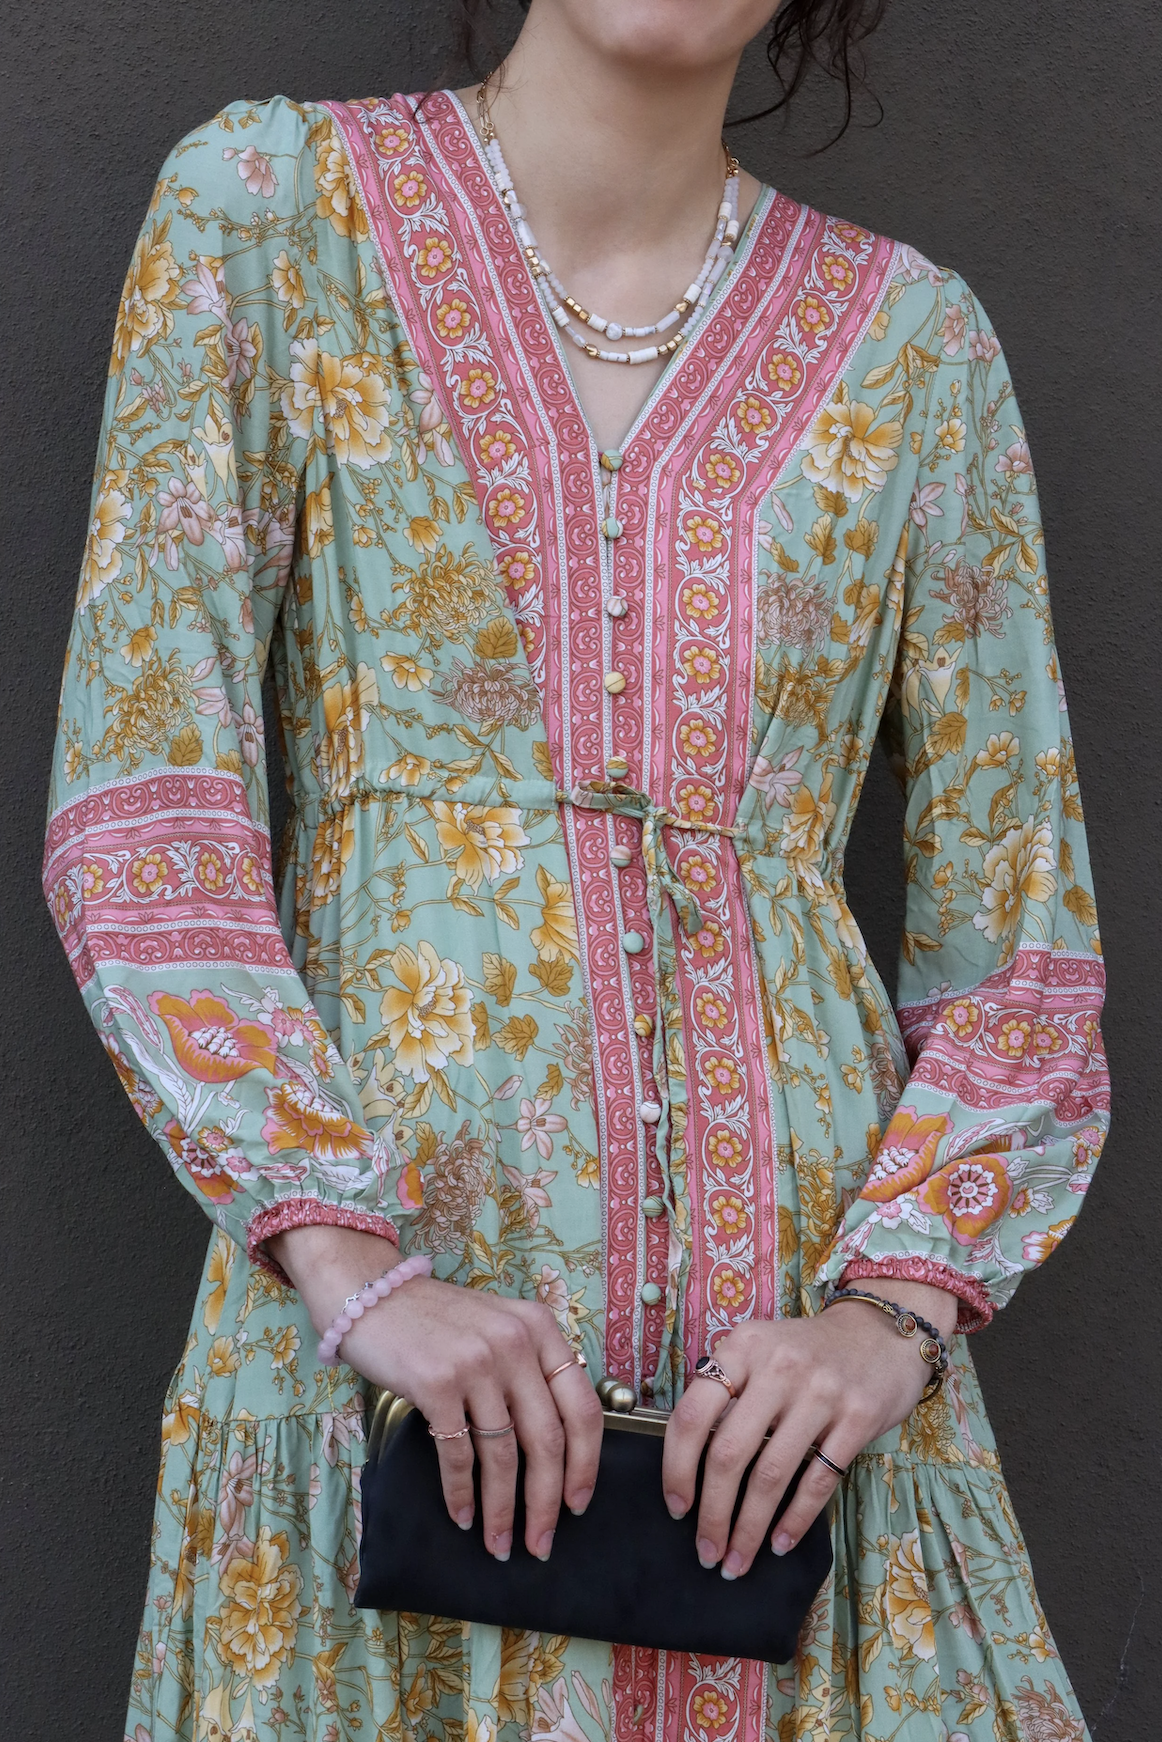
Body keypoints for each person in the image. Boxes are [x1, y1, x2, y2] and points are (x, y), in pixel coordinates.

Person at [44, 2, 1110, 1738]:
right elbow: (145, 805)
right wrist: (352, 1264)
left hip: (792, 1432)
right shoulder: (269, 210)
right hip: (372, 1382)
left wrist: (888, 1316)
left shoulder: (914, 345)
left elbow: (1022, 947)